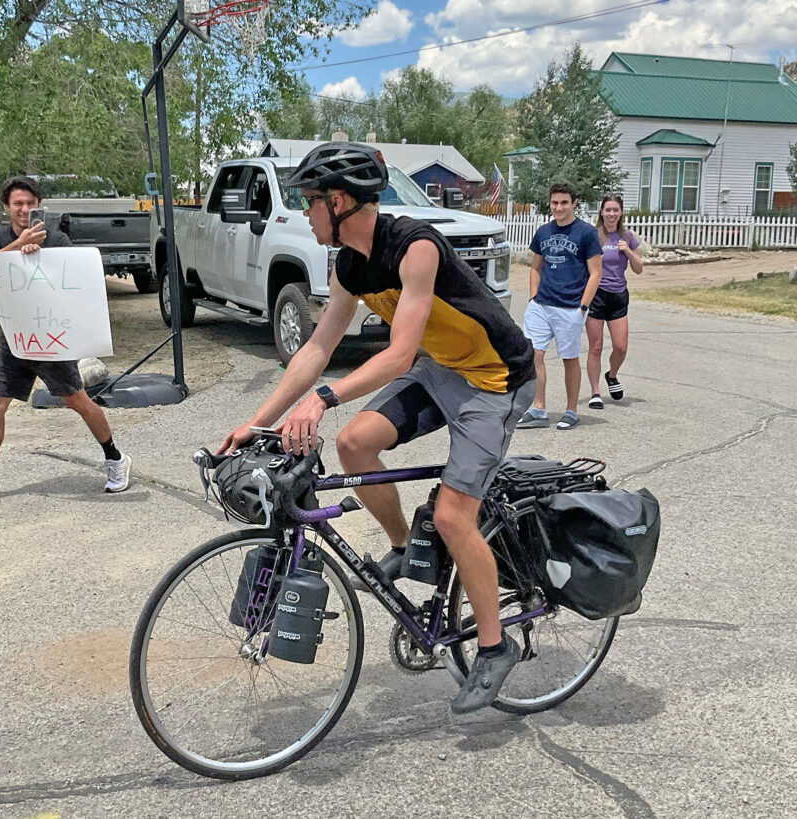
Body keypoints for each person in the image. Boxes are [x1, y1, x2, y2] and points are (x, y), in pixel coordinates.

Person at [217, 143, 536, 714]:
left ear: (339, 202)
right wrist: (256, 423)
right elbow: (318, 347)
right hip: (442, 371)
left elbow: (398, 353)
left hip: (495, 381)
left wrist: (322, 399)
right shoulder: (348, 264)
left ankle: (493, 646)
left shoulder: (414, 246)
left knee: (453, 515)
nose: (306, 212)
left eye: (310, 201)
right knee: (354, 443)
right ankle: (402, 546)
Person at [0, 176, 130, 504]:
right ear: (6, 207)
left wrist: (39, 249)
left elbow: (76, 276)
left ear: (38, 205)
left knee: (77, 401)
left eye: (31, 204)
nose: (25, 210)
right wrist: (20, 245)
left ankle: (115, 459)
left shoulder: (56, 238)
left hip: (51, 337)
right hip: (15, 337)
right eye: (18, 204)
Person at [516, 181, 602, 431]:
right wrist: (533, 297)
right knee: (534, 355)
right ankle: (539, 409)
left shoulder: (586, 233)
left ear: (574, 203)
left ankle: (571, 411)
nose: (559, 207)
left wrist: (583, 308)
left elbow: (595, 273)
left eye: (564, 202)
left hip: (570, 307)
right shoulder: (543, 232)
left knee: (569, 359)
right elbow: (535, 267)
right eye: (555, 202)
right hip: (542, 305)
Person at [586, 194, 643, 409]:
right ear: (601, 212)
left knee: (620, 347)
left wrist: (627, 250)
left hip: (618, 295)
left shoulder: (627, 236)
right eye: (607, 210)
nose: (611, 214)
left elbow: (639, 268)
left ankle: (612, 374)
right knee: (596, 347)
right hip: (596, 295)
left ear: (620, 213)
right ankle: (595, 392)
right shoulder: (593, 236)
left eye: (615, 210)